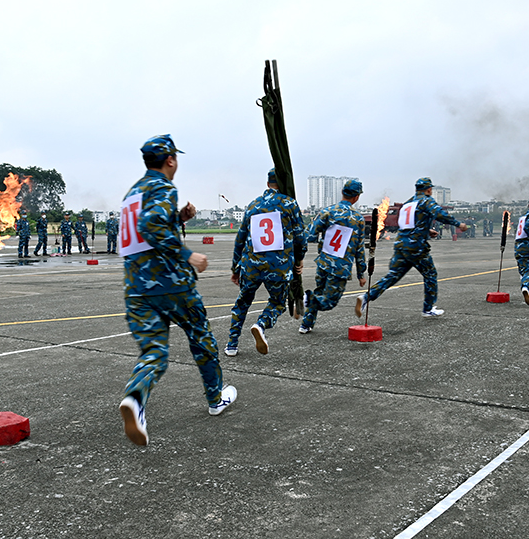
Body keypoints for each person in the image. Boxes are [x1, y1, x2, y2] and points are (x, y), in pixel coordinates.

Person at [118, 134, 234, 447]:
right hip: (172, 285)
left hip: (137, 289)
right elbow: (152, 227)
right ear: (171, 160)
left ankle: (135, 398)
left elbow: (147, 223)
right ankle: (215, 398)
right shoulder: (163, 186)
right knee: (202, 339)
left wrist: (180, 217)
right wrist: (188, 255)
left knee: (154, 352)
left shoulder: (133, 193)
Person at [355, 177, 466, 318]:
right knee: (430, 274)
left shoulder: (407, 204)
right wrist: (458, 224)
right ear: (429, 189)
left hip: (401, 245)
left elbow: (407, 224)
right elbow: (439, 214)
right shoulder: (426, 200)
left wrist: (426, 231)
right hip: (416, 246)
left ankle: (366, 297)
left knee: (392, 276)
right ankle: (428, 308)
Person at [226, 168, 307, 357]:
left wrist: (235, 267)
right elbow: (300, 237)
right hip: (278, 266)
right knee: (278, 303)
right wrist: (300, 259)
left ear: (267, 183)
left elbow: (240, 238)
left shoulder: (253, 205)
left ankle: (231, 344)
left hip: (251, 264)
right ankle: (261, 324)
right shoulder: (289, 204)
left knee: (242, 303)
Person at [300, 180, 367, 334]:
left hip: (323, 262)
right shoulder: (358, 219)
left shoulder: (327, 211)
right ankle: (306, 300)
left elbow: (309, 234)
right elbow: (359, 248)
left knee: (319, 291)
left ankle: (306, 324)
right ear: (356, 197)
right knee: (329, 302)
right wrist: (361, 273)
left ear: (342, 193)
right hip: (340, 266)